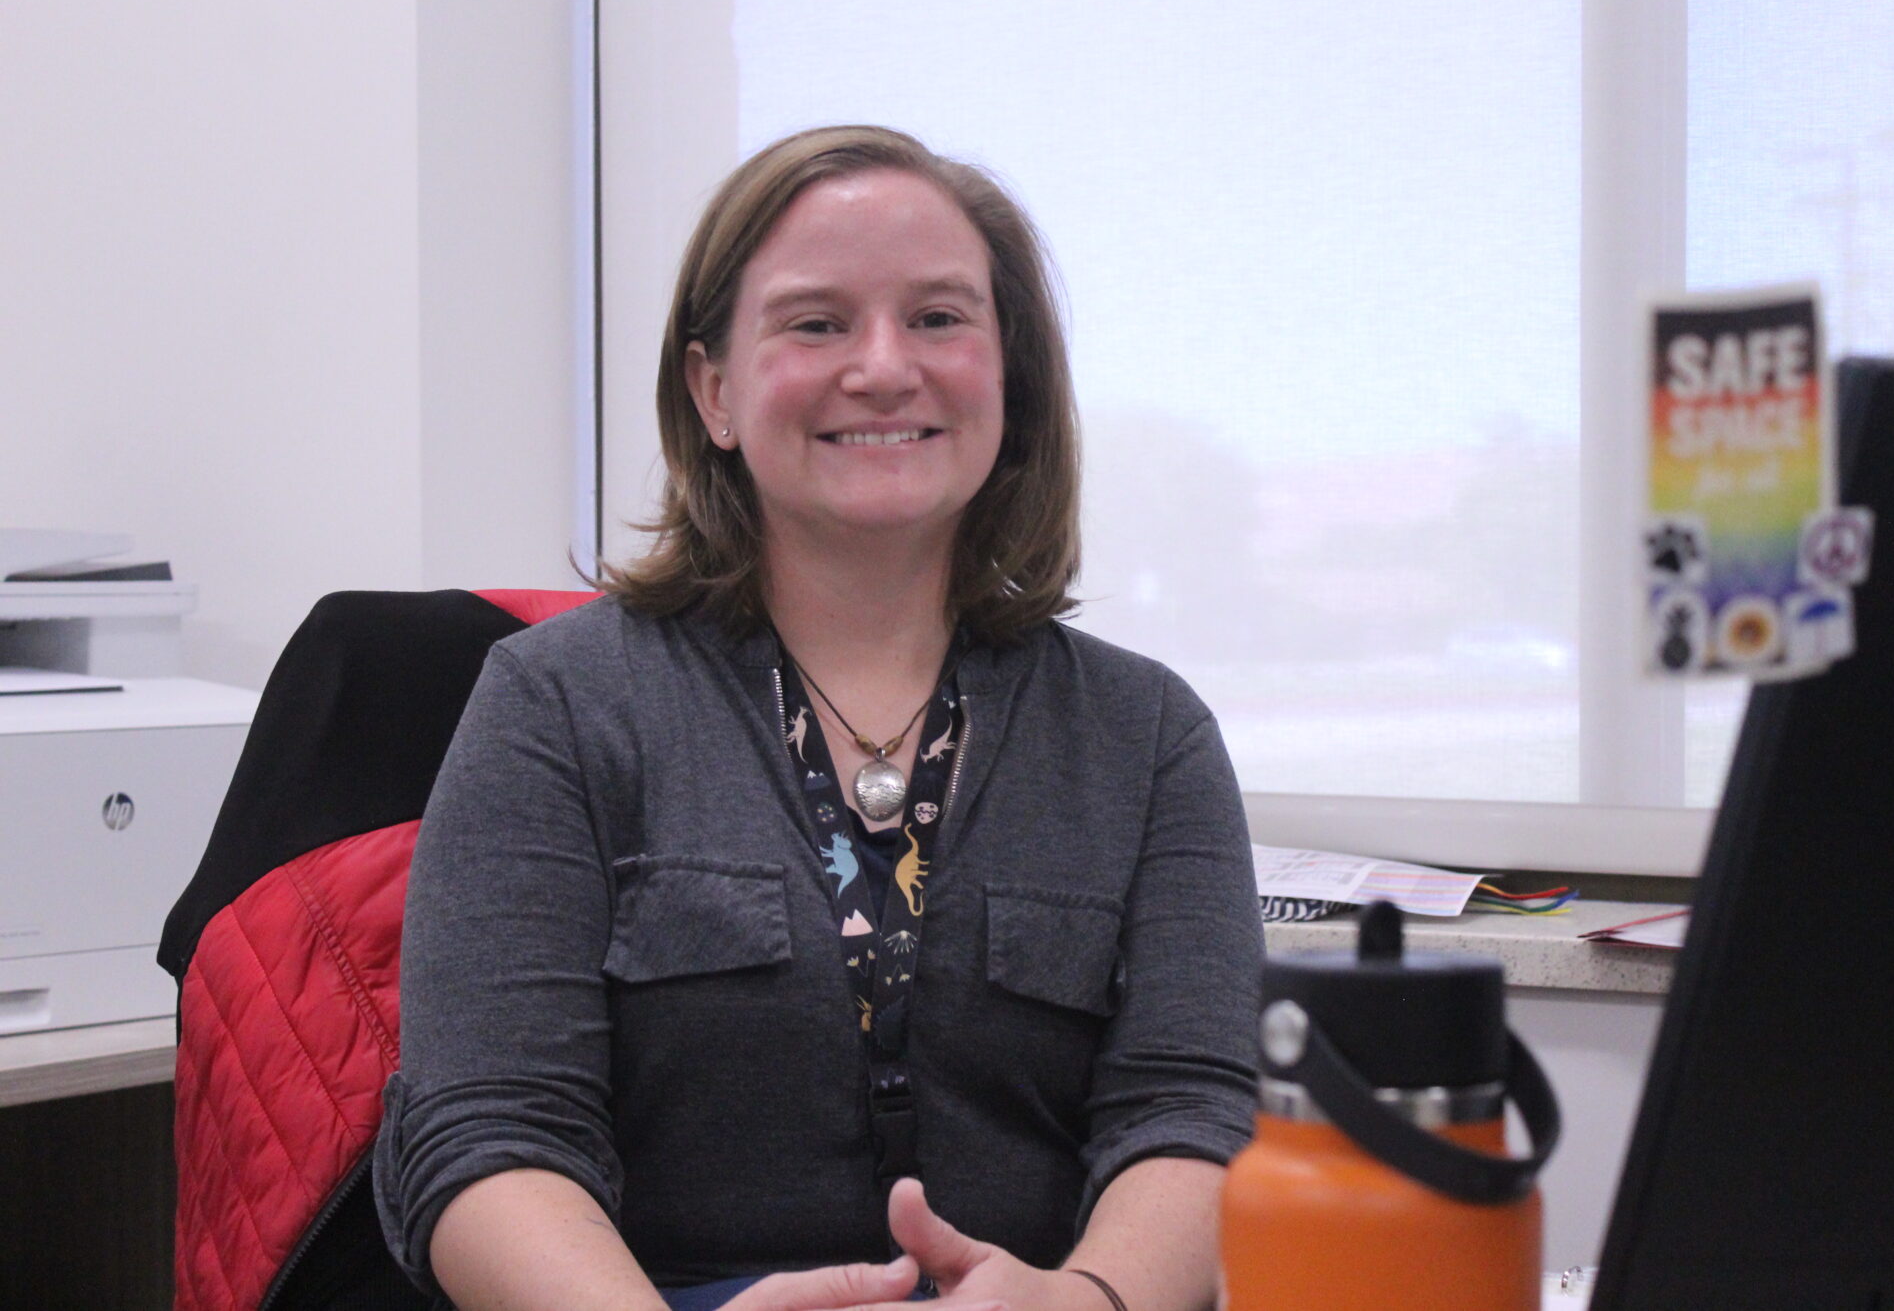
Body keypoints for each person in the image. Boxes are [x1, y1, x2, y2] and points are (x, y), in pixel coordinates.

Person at [374, 125, 1262, 1311]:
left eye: (940, 319)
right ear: (714, 391)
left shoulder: (1145, 735)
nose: (884, 367)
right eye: (815, 322)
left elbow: (1191, 1110)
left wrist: (1090, 1301)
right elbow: (488, 1131)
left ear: (1013, 379)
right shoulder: (556, 705)